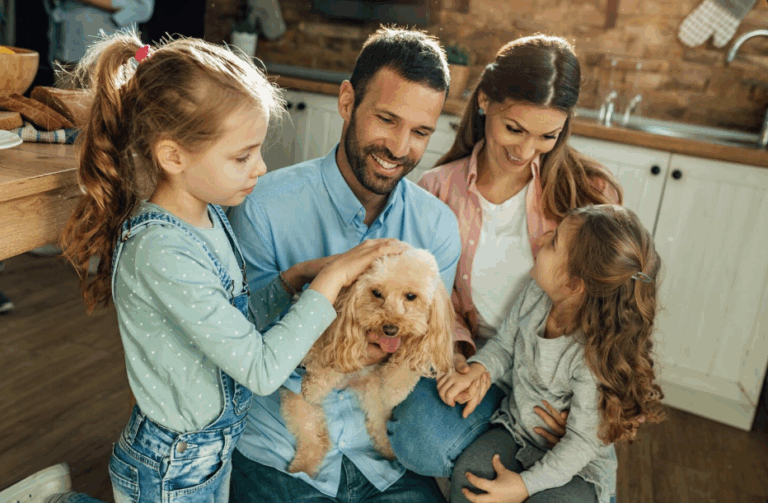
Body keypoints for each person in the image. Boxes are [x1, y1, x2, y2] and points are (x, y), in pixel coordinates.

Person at [13, 29, 405, 503]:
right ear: (173, 156)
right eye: (242, 156)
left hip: (212, 451)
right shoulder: (161, 250)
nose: (260, 167)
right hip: (171, 466)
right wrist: (332, 280)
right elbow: (260, 369)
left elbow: (231, 326)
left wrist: (291, 280)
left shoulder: (209, 215)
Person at [226, 27, 461, 503]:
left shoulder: (437, 227)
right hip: (280, 453)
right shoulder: (263, 207)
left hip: (384, 458)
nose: (400, 148)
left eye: (420, 132)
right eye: (387, 119)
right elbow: (239, 343)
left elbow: (423, 346)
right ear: (348, 101)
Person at [388, 34, 624, 479]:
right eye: (514, 129)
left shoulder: (589, 195)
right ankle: (502, 440)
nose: (525, 151)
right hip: (477, 359)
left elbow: (617, 313)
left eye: (547, 136)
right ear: (484, 102)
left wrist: (586, 422)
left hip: (556, 381)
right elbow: (430, 293)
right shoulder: (437, 190)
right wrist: (457, 353)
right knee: (416, 440)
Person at [440, 204, 666, 503]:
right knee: (470, 476)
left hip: (577, 465)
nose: (543, 237)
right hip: (517, 431)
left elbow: (581, 443)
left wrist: (524, 486)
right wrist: (479, 368)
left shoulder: (592, 357)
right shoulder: (535, 292)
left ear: (572, 284)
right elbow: (505, 344)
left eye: (554, 242)